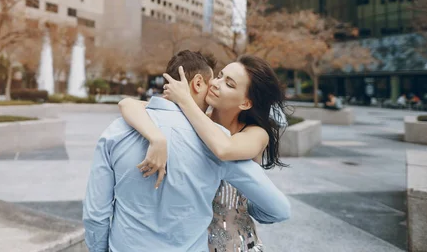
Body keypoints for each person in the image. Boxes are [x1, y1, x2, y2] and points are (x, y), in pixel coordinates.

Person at [83, 51, 290, 252]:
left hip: (234, 243)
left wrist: (244, 207)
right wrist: (155, 137)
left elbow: (224, 148)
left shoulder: (244, 136)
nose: (216, 84)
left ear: (246, 102)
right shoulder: (203, 132)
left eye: (229, 83)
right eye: (219, 76)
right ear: (198, 83)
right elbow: (130, 103)